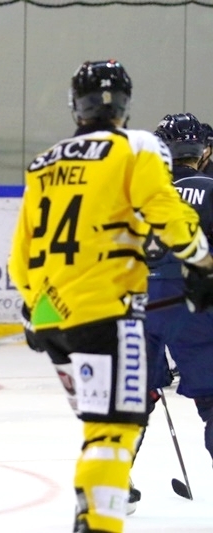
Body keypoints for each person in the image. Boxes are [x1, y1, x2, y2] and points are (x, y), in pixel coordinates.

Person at [8, 60, 213, 533]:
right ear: (124, 103)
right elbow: (166, 213)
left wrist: (36, 311)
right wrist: (199, 262)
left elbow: (23, 255)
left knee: (103, 427)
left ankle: (92, 513)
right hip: (113, 316)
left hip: (57, 315)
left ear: (74, 104)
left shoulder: (45, 161)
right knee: (111, 433)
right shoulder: (136, 146)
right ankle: (99, 522)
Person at [140, 113, 213, 468]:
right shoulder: (210, 188)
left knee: (132, 400)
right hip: (191, 302)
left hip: (140, 305)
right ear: (201, 152)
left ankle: (113, 484)